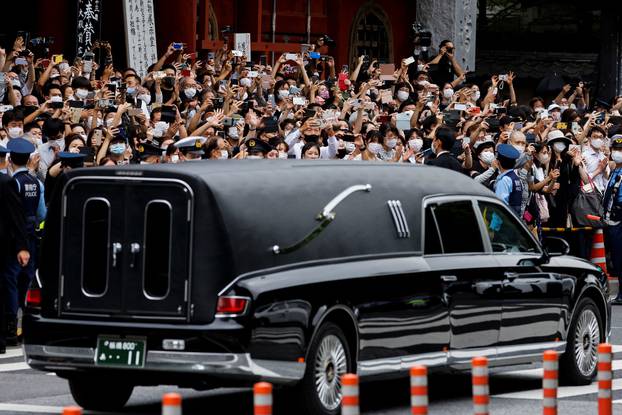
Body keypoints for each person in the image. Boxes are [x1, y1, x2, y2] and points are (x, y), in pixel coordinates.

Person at [2, 138, 43, 346]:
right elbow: (41, 213)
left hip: (15, 239)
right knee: (26, 282)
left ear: (10, 161)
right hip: (32, 236)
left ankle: (10, 326)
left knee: (10, 282)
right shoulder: (36, 182)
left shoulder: (13, 182)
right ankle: (24, 325)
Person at [604, 136, 622, 304]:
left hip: (619, 218)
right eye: (616, 150)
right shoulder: (614, 171)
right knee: (617, 257)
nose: (618, 153)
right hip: (613, 219)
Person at [494, 144, 523, 216]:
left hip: (505, 223)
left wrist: (494, 226)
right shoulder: (516, 178)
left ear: (498, 162)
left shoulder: (505, 180)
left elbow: (500, 206)